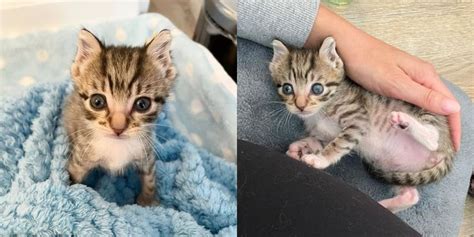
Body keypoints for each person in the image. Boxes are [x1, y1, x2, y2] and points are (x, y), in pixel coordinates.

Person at [237, 1, 473, 236]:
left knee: (427, 118)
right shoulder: (313, 119)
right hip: (403, 160)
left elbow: (357, 125)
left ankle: (429, 135)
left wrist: (326, 157)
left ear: (335, 65)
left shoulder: (342, 98)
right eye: (288, 90)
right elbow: (328, 137)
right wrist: (310, 146)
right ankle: (406, 195)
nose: (301, 103)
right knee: (377, 164)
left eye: (316, 89)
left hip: (427, 141)